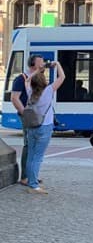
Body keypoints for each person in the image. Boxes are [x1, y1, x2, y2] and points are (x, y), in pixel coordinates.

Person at [23, 60, 65, 194]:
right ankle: (34, 185)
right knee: (38, 157)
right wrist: (57, 64)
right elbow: (62, 77)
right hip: (44, 127)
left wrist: (37, 71)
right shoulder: (48, 91)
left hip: (31, 127)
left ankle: (31, 181)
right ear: (44, 82)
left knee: (31, 155)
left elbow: (27, 80)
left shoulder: (30, 92)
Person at [11, 53, 47, 186]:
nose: (43, 64)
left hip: (37, 115)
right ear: (33, 64)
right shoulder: (21, 78)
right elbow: (15, 98)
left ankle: (32, 175)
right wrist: (25, 114)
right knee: (28, 145)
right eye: (41, 62)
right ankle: (25, 176)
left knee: (35, 145)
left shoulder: (38, 78)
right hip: (29, 116)